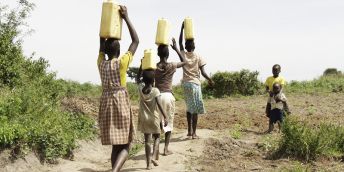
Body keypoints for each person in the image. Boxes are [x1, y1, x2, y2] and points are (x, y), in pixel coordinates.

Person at [97, 6, 139, 172]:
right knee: (126, 143)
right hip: (120, 102)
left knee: (116, 145)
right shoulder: (122, 63)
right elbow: (135, 41)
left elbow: (101, 44)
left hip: (106, 103)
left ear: (105, 51)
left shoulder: (100, 63)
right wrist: (126, 17)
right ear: (119, 50)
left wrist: (105, 24)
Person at [179, 23, 214, 139]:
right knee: (195, 110)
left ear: (186, 46)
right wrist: (210, 79)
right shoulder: (198, 56)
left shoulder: (183, 54)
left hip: (185, 84)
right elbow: (203, 72)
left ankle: (189, 131)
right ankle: (194, 133)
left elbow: (179, 43)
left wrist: (182, 29)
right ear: (194, 46)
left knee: (189, 108)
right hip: (195, 85)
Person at [154, 38, 186, 155]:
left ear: (158, 54)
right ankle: (166, 149)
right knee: (169, 123)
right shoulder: (172, 65)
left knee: (157, 123)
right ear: (168, 54)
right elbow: (184, 62)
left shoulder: (154, 67)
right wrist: (176, 48)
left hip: (156, 96)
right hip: (168, 96)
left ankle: (155, 149)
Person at [138, 70, 168, 170]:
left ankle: (148, 165)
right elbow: (159, 105)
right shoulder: (155, 91)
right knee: (157, 136)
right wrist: (165, 116)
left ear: (143, 80)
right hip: (154, 118)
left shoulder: (140, 89)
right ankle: (154, 157)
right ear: (153, 80)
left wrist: (141, 67)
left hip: (144, 118)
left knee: (147, 141)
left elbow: (138, 79)